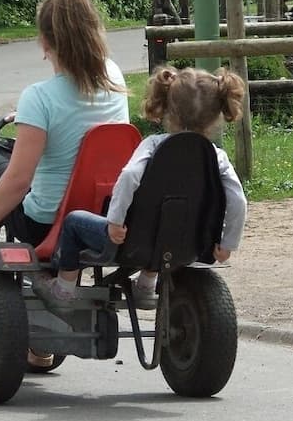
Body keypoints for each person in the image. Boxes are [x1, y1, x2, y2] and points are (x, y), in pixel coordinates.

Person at [33, 66, 248, 313]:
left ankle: (63, 290)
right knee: (167, 223)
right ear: (215, 115)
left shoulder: (154, 146)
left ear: (168, 110)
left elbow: (129, 176)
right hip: (188, 242)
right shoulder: (215, 157)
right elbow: (237, 199)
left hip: (133, 242)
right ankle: (146, 287)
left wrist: (114, 221)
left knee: (73, 222)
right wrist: (227, 243)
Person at [0, 0, 129, 267]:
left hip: (44, 224)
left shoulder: (39, 97)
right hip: (102, 214)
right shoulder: (113, 75)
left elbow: (19, 182)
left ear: (44, 42)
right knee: (0, 158)